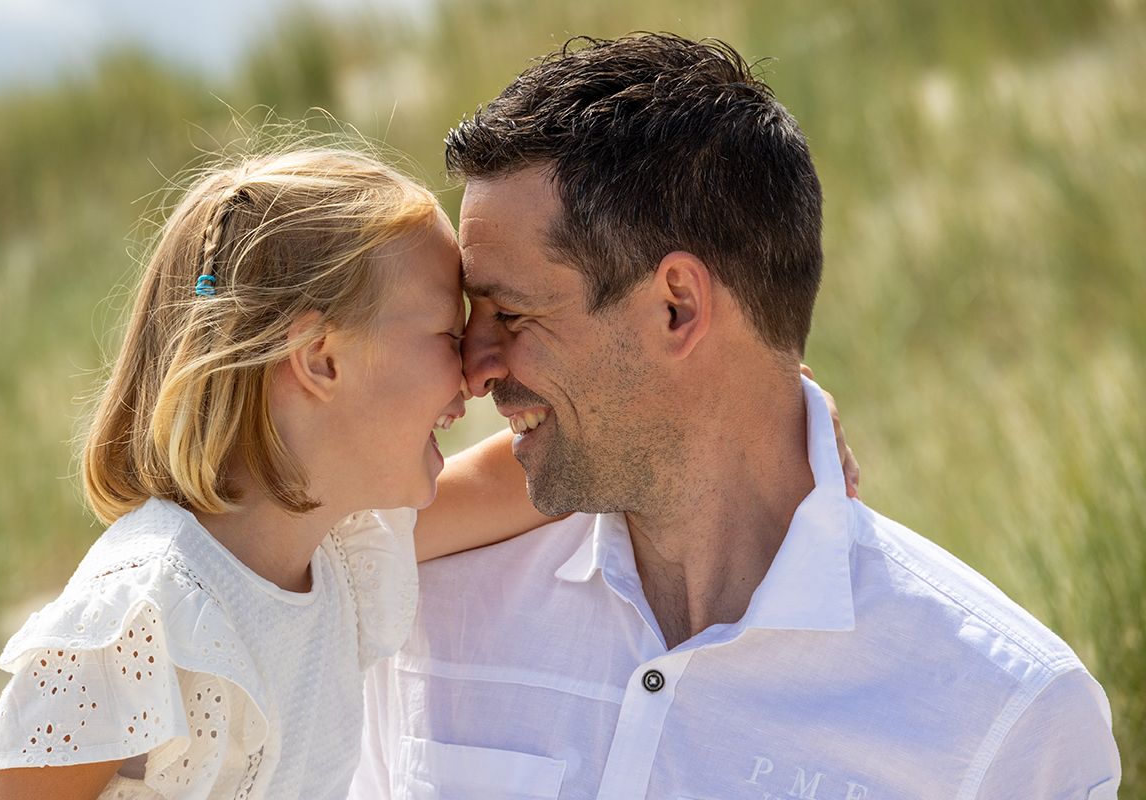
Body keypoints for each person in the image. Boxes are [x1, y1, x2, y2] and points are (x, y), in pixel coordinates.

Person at [350, 34, 1121, 799]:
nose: (476, 366)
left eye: (511, 314)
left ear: (678, 307)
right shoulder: (410, 602)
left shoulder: (1007, 717)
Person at [0, 147, 554, 799]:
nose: (474, 373)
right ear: (319, 359)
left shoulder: (345, 555)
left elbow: (521, 481)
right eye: (449, 336)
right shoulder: (140, 620)